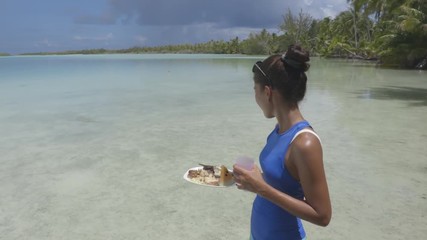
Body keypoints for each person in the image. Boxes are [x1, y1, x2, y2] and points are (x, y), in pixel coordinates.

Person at [233, 44, 332, 240]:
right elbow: (283, 184)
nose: (255, 97)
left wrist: (261, 188)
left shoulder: (305, 143)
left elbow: (323, 215)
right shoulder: (279, 130)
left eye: (255, 90)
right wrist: (254, 178)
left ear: (267, 92)